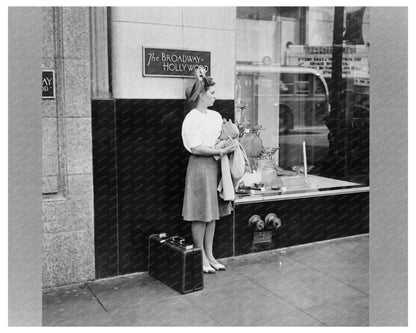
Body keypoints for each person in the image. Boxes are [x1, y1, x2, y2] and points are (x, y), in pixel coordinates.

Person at [181, 67, 236, 274]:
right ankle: (200, 254)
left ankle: (210, 254)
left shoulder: (215, 115)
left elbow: (218, 139)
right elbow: (195, 147)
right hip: (200, 167)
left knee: (212, 213)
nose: (215, 96)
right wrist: (219, 151)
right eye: (212, 93)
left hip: (215, 165)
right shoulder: (192, 118)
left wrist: (229, 140)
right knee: (200, 212)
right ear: (201, 95)